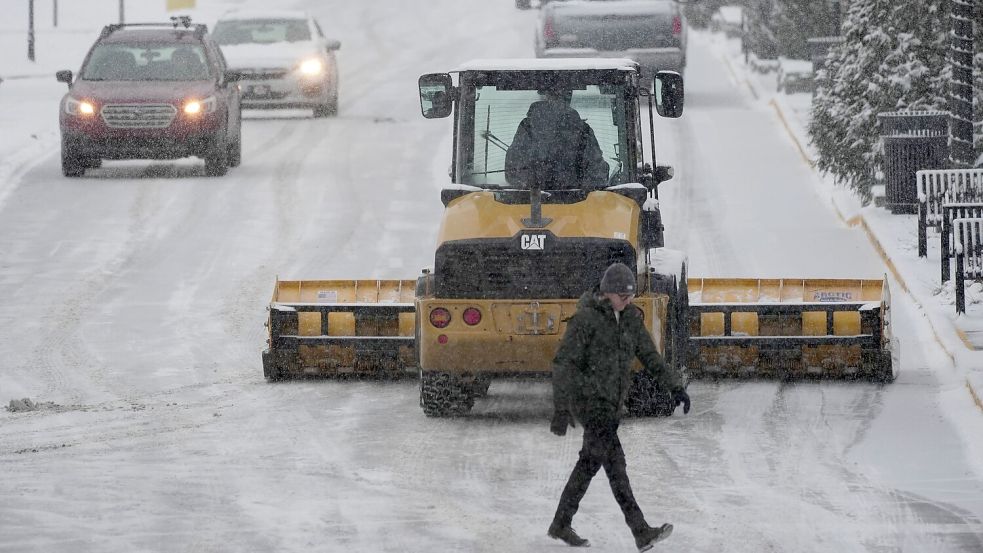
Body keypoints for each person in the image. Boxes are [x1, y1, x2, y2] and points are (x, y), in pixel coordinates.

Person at [547, 262, 691, 551]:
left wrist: (675, 386)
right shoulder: (586, 320)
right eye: (622, 296)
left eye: (630, 296)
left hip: (612, 404)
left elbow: (650, 355)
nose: (627, 301)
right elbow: (564, 364)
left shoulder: (630, 321)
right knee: (616, 469)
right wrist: (562, 407)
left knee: (590, 464)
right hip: (590, 402)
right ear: (607, 293)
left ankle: (561, 524)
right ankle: (640, 531)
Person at [504, 86, 609, 190]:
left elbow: (513, 170)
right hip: (577, 203)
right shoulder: (583, 131)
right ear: (568, 98)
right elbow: (597, 173)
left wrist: (534, 187)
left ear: (546, 96)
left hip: (530, 202)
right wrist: (577, 191)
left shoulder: (527, 127)